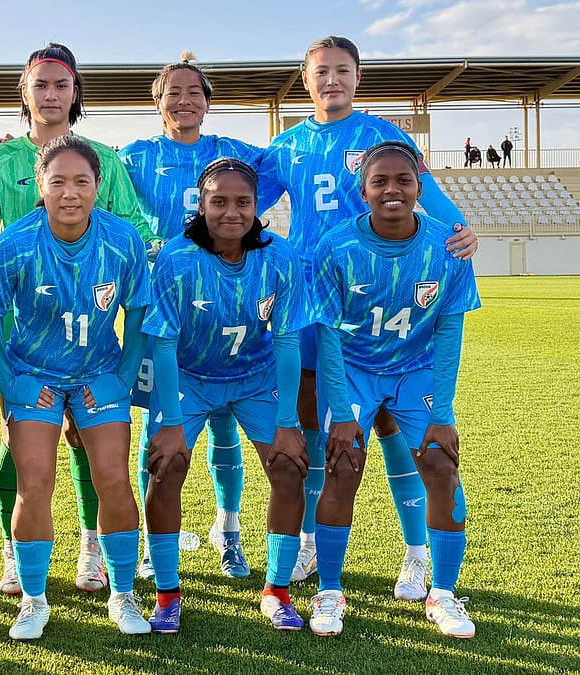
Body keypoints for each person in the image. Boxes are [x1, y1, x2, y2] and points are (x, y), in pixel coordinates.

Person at [258, 35, 477, 598]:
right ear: (305, 81)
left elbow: (424, 188)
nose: (331, 80)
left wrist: (460, 229)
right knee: (319, 420)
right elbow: (239, 204)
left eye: (342, 71)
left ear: (357, 77)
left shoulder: (383, 136)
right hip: (312, 293)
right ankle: (309, 537)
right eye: (321, 72)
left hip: (379, 296)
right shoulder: (287, 145)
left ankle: (416, 552)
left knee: (392, 428)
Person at [0, 42, 158, 597]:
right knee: (17, 447)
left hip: (89, 315)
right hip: (22, 329)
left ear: (74, 94)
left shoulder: (103, 160)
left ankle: (93, 546)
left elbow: (132, 224)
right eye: (40, 84)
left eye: (60, 85)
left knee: (92, 442)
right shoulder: (1, 158)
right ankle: (18, 555)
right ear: (25, 92)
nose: (50, 94)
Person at [0, 135, 151, 640]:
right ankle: (33, 599)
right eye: (58, 182)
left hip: (99, 370)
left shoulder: (122, 239)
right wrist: (12, 386)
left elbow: (138, 314)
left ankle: (122, 593)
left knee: (114, 479)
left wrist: (121, 377)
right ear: (40, 185)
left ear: (99, 185)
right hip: (34, 373)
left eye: (81, 181)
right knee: (35, 481)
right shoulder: (15, 242)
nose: (70, 192)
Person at [307, 141, 480, 639]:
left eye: (403, 180)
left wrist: (442, 412)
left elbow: (449, 333)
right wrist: (341, 411)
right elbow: (329, 335)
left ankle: (443, 594)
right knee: (343, 463)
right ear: (363, 191)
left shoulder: (448, 246)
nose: (391, 190)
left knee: (441, 463)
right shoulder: (335, 246)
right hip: (355, 368)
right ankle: (331, 590)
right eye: (379, 181)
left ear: (419, 188)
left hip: (416, 369)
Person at [143, 158, 314, 634]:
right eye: (219, 201)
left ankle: (277, 592)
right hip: (190, 376)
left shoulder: (279, 257)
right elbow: (163, 343)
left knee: (288, 465)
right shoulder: (176, 259)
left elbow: (285, 342)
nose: (231, 212)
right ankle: (167, 595)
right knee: (167, 464)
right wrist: (172, 422)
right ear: (201, 204)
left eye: (243, 202)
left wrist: (285, 421)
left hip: (257, 378)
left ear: (258, 205)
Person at [120, 52, 272, 581]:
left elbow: (288, 170)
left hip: (230, 302)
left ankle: (227, 530)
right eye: (173, 93)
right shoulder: (134, 157)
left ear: (208, 102)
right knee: (157, 425)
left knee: (227, 423)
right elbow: (89, 180)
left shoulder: (235, 152)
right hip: (163, 309)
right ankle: (149, 540)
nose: (184, 102)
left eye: (195, 93)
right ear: (157, 101)